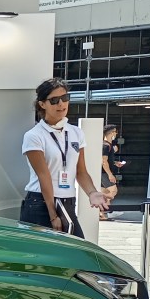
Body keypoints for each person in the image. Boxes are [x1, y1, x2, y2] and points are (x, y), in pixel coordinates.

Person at [19, 79, 109, 238]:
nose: (61, 104)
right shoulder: (34, 136)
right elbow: (44, 176)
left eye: (65, 98)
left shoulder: (76, 133)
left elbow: (81, 171)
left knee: (76, 249)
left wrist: (92, 192)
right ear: (42, 104)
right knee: (42, 253)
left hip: (67, 202)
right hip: (41, 203)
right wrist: (53, 215)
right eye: (54, 100)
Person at [100, 124, 120, 219]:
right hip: (104, 173)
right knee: (113, 191)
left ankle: (103, 213)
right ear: (111, 133)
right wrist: (110, 174)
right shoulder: (105, 146)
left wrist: (115, 163)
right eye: (115, 132)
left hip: (103, 172)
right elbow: (104, 161)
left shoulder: (107, 145)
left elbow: (106, 160)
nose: (116, 134)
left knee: (105, 192)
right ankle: (105, 210)